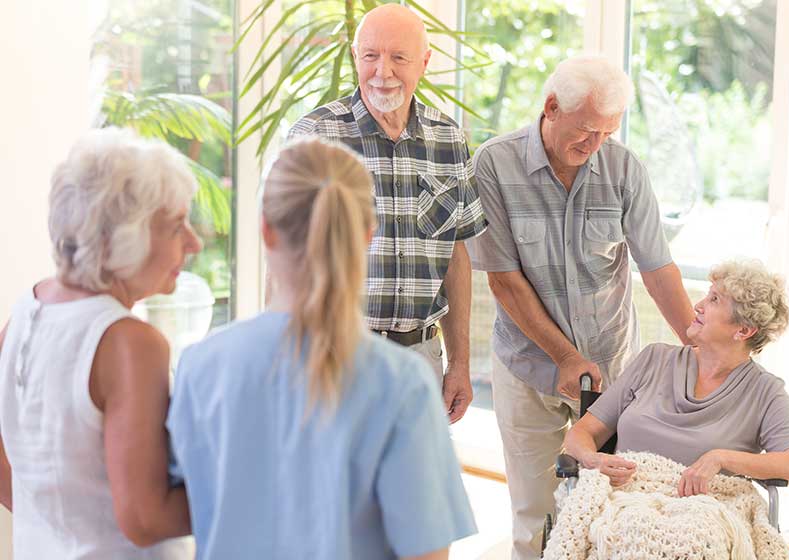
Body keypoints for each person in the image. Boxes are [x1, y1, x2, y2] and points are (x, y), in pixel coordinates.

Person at [166, 138, 476, 560]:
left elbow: (188, 505)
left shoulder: (200, 367)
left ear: (265, 229)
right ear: (367, 234)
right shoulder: (403, 384)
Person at [464, 54, 696, 559]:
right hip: (528, 368)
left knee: (610, 509)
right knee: (535, 512)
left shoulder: (623, 168)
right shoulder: (494, 165)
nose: (594, 148)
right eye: (586, 132)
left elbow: (657, 269)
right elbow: (504, 281)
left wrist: (699, 348)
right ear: (551, 107)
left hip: (612, 369)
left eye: (606, 135)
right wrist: (565, 357)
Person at [0, 128, 200, 559]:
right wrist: (249, 488)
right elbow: (145, 520)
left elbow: (5, 472)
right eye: (176, 225)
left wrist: (66, 530)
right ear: (126, 235)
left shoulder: (22, 318)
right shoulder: (131, 343)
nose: (194, 243)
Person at [287, 4, 487, 423]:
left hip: (422, 360)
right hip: (336, 357)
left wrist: (460, 364)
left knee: (413, 488)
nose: (383, 71)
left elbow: (455, 257)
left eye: (399, 57)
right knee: (336, 488)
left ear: (424, 63)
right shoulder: (315, 137)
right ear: (355, 56)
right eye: (371, 56)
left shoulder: (449, 139)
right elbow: (287, 256)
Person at [564, 260, 789, 495]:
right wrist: (591, 458)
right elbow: (581, 433)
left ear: (743, 330)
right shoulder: (653, 359)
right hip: (622, 501)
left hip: (701, 515)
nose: (698, 305)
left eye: (715, 300)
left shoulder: (764, 392)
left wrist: (722, 458)